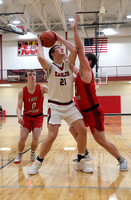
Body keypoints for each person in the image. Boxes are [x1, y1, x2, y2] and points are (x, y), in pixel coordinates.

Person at [28, 33, 93, 175]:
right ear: (52, 54)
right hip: (55, 106)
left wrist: (58, 38)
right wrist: (39, 42)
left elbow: (74, 50)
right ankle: (37, 162)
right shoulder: (50, 67)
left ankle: (81, 161)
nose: (62, 48)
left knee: (82, 130)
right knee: (52, 136)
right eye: (58, 48)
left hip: (69, 105)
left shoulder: (69, 65)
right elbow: (39, 57)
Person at [69, 15, 128, 171]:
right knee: (73, 129)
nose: (80, 60)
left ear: (88, 62)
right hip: (82, 111)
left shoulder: (87, 71)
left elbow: (79, 49)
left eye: (83, 58)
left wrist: (74, 29)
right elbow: (73, 55)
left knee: (100, 140)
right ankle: (85, 153)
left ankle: (121, 159)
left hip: (93, 112)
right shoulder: (79, 73)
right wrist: (60, 40)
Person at [14, 69, 48, 163]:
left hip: (38, 117)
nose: (32, 76)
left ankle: (33, 153)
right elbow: (18, 107)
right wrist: (19, 117)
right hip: (27, 117)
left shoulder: (42, 88)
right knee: (22, 138)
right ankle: (19, 155)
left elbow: (53, 91)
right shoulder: (22, 91)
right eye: (30, 74)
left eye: (34, 74)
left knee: (36, 138)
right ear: (26, 77)